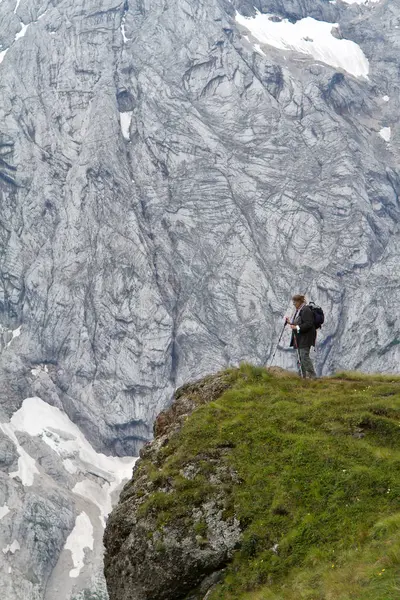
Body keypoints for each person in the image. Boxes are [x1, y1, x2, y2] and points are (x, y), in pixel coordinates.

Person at [286, 294, 317, 379]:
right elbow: (299, 323)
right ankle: (303, 377)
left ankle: (312, 376)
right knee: (300, 357)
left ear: (300, 301)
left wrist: (296, 327)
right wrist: (291, 323)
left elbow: (308, 324)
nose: (293, 304)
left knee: (304, 356)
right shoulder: (299, 310)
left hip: (306, 338)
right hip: (300, 338)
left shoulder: (306, 310)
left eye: (295, 302)